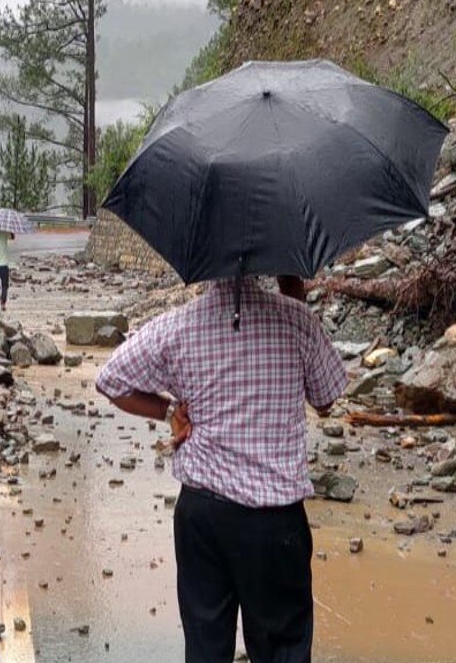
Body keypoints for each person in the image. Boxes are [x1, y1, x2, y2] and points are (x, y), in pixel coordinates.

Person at [95, 275, 346, 663]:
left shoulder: (178, 325)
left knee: (206, 646)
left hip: (202, 515)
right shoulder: (297, 320)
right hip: (273, 520)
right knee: (282, 646)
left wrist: (166, 411)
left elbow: (111, 379)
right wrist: (294, 294)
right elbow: (327, 399)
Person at [0, 228, 14, 311]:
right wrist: (11, 229)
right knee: (4, 286)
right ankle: (3, 304)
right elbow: (12, 237)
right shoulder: (5, 233)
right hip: (4, 265)